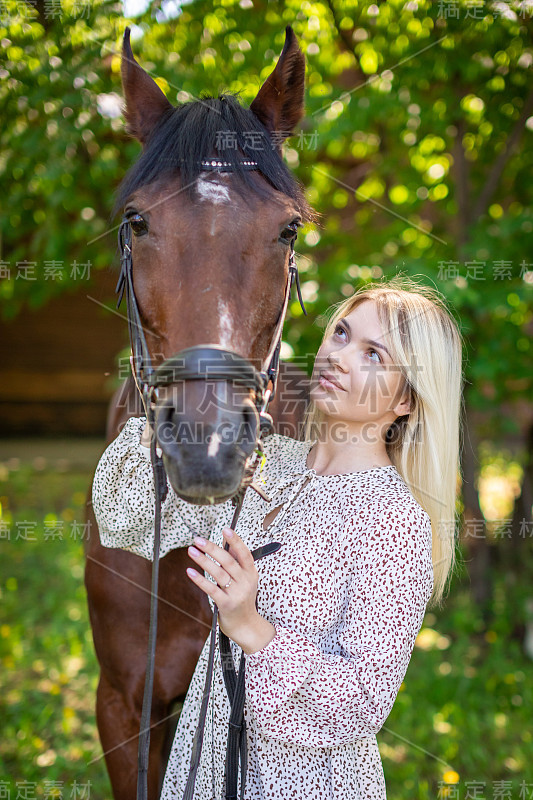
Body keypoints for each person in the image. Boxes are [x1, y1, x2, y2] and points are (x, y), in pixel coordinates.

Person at [92, 274, 464, 799]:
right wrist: (172, 410)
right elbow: (132, 519)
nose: (338, 355)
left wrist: (250, 626)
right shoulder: (266, 462)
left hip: (300, 784)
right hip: (203, 767)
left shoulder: (392, 519)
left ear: (406, 401)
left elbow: (362, 704)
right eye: (340, 333)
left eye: (374, 354)